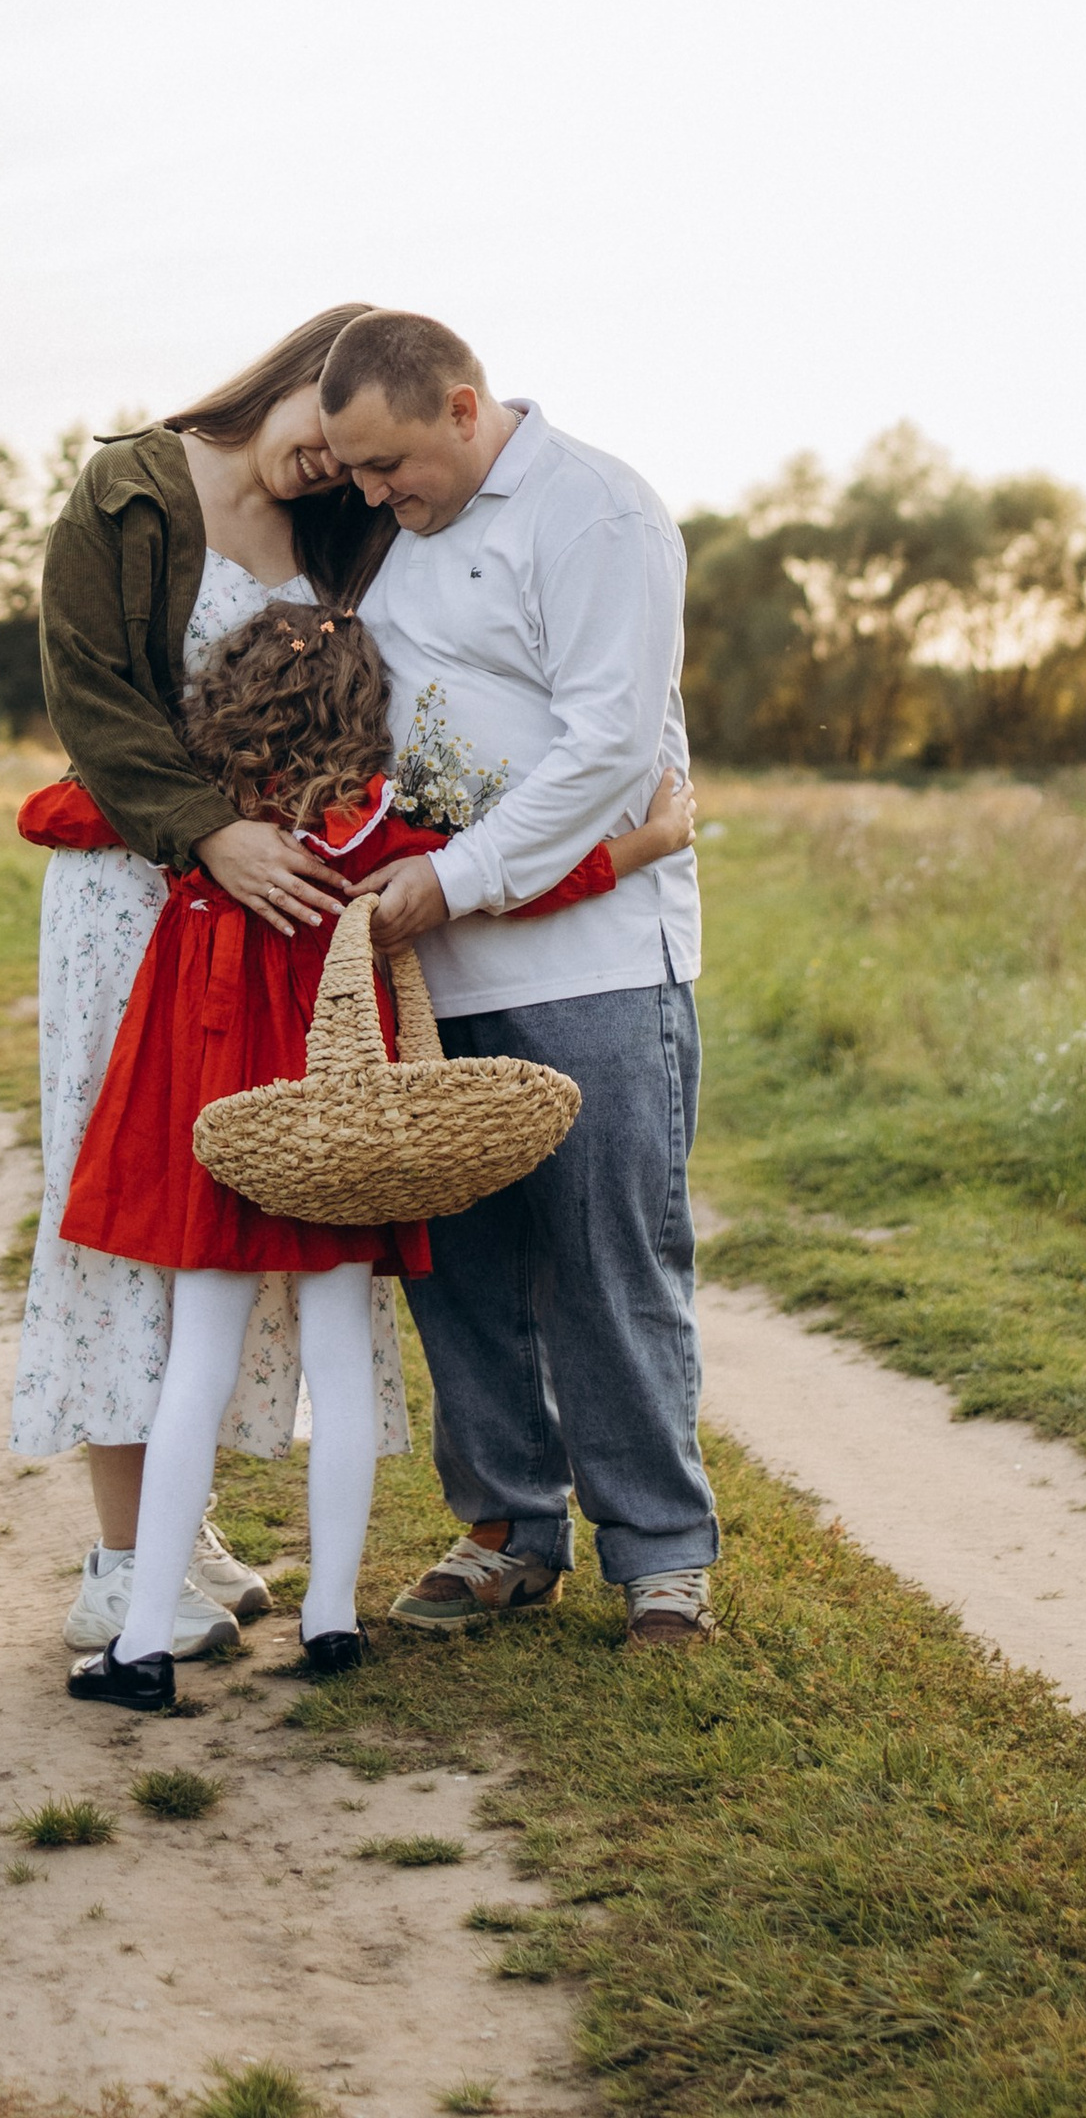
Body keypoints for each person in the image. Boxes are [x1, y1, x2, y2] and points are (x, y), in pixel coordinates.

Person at [56, 598, 687, 1710]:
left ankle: (143, 1643)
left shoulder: (208, 829)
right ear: (364, 711)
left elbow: (54, 809)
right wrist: (648, 841)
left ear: (226, 699)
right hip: (337, 1117)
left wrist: (187, 804)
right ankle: (332, 1621)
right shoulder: (374, 831)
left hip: (222, 1112)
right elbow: (522, 876)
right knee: (341, 1355)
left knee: (193, 1368)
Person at [8, 303, 405, 1667]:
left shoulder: (340, 532)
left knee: (237, 1200)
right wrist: (215, 834)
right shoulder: (132, 485)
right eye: (327, 432)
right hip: (139, 895)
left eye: (362, 461)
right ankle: (121, 1565)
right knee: (137, 1197)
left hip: (266, 922)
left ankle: (180, 1527)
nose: (337, 470)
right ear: (299, 371)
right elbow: (97, 702)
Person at [320, 308, 719, 1650]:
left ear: (460, 405)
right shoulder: (408, 541)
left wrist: (452, 876)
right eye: (356, 476)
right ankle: (504, 1528)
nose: (372, 496)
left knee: (609, 1259)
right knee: (462, 1265)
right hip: (440, 971)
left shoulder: (595, 512)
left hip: (595, 960)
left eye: (386, 466)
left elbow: (611, 743)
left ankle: (660, 1554)